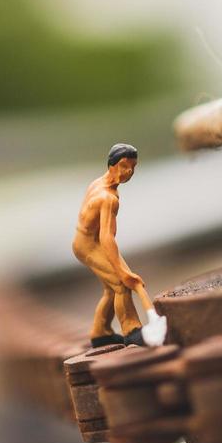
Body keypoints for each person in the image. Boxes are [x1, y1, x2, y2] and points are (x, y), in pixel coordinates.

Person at [72, 143, 147, 346]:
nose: (129, 171)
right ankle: (131, 329)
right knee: (121, 284)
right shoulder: (108, 198)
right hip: (89, 244)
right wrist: (122, 271)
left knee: (110, 288)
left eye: (133, 166)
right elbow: (107, 237)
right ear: (111, 165)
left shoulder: (99, 183)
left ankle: (100, 332)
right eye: (124, 165)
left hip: (83, 241)